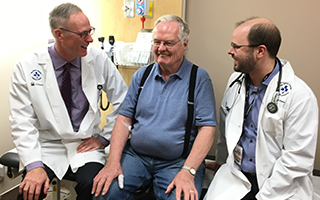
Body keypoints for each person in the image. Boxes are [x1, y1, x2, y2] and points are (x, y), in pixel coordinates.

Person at [9, 3, 127, 200]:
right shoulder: (27, 65)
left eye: (90, 32)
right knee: (29, 193)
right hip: (46, 145)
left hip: (85, 144)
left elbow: (124, 101)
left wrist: (103, 138)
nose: (90, 39)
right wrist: (34, 165)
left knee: (93, 187)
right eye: (82, 34)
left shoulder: (97, 58)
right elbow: (21, 121)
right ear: (59, 34)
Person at [91, 14, 217, 200]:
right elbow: (124, 119)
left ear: (184, 44)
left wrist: (188, 171)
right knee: (104, 192)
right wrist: (112, 162)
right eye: (156, 42)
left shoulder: (198, 79)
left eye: (168, 43)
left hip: (177, 161)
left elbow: (207, 129)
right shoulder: (141, 76)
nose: (161, 48)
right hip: (136, 156)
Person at [204, 17, 319, 200]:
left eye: (236, 46)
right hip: (237, 176)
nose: (229, 51)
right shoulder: (234, 83)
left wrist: (263, 197)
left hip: (281, 185)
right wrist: (220, 163)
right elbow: (227, 133)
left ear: (260, 51)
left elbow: (297, 161)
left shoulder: (300, 96)